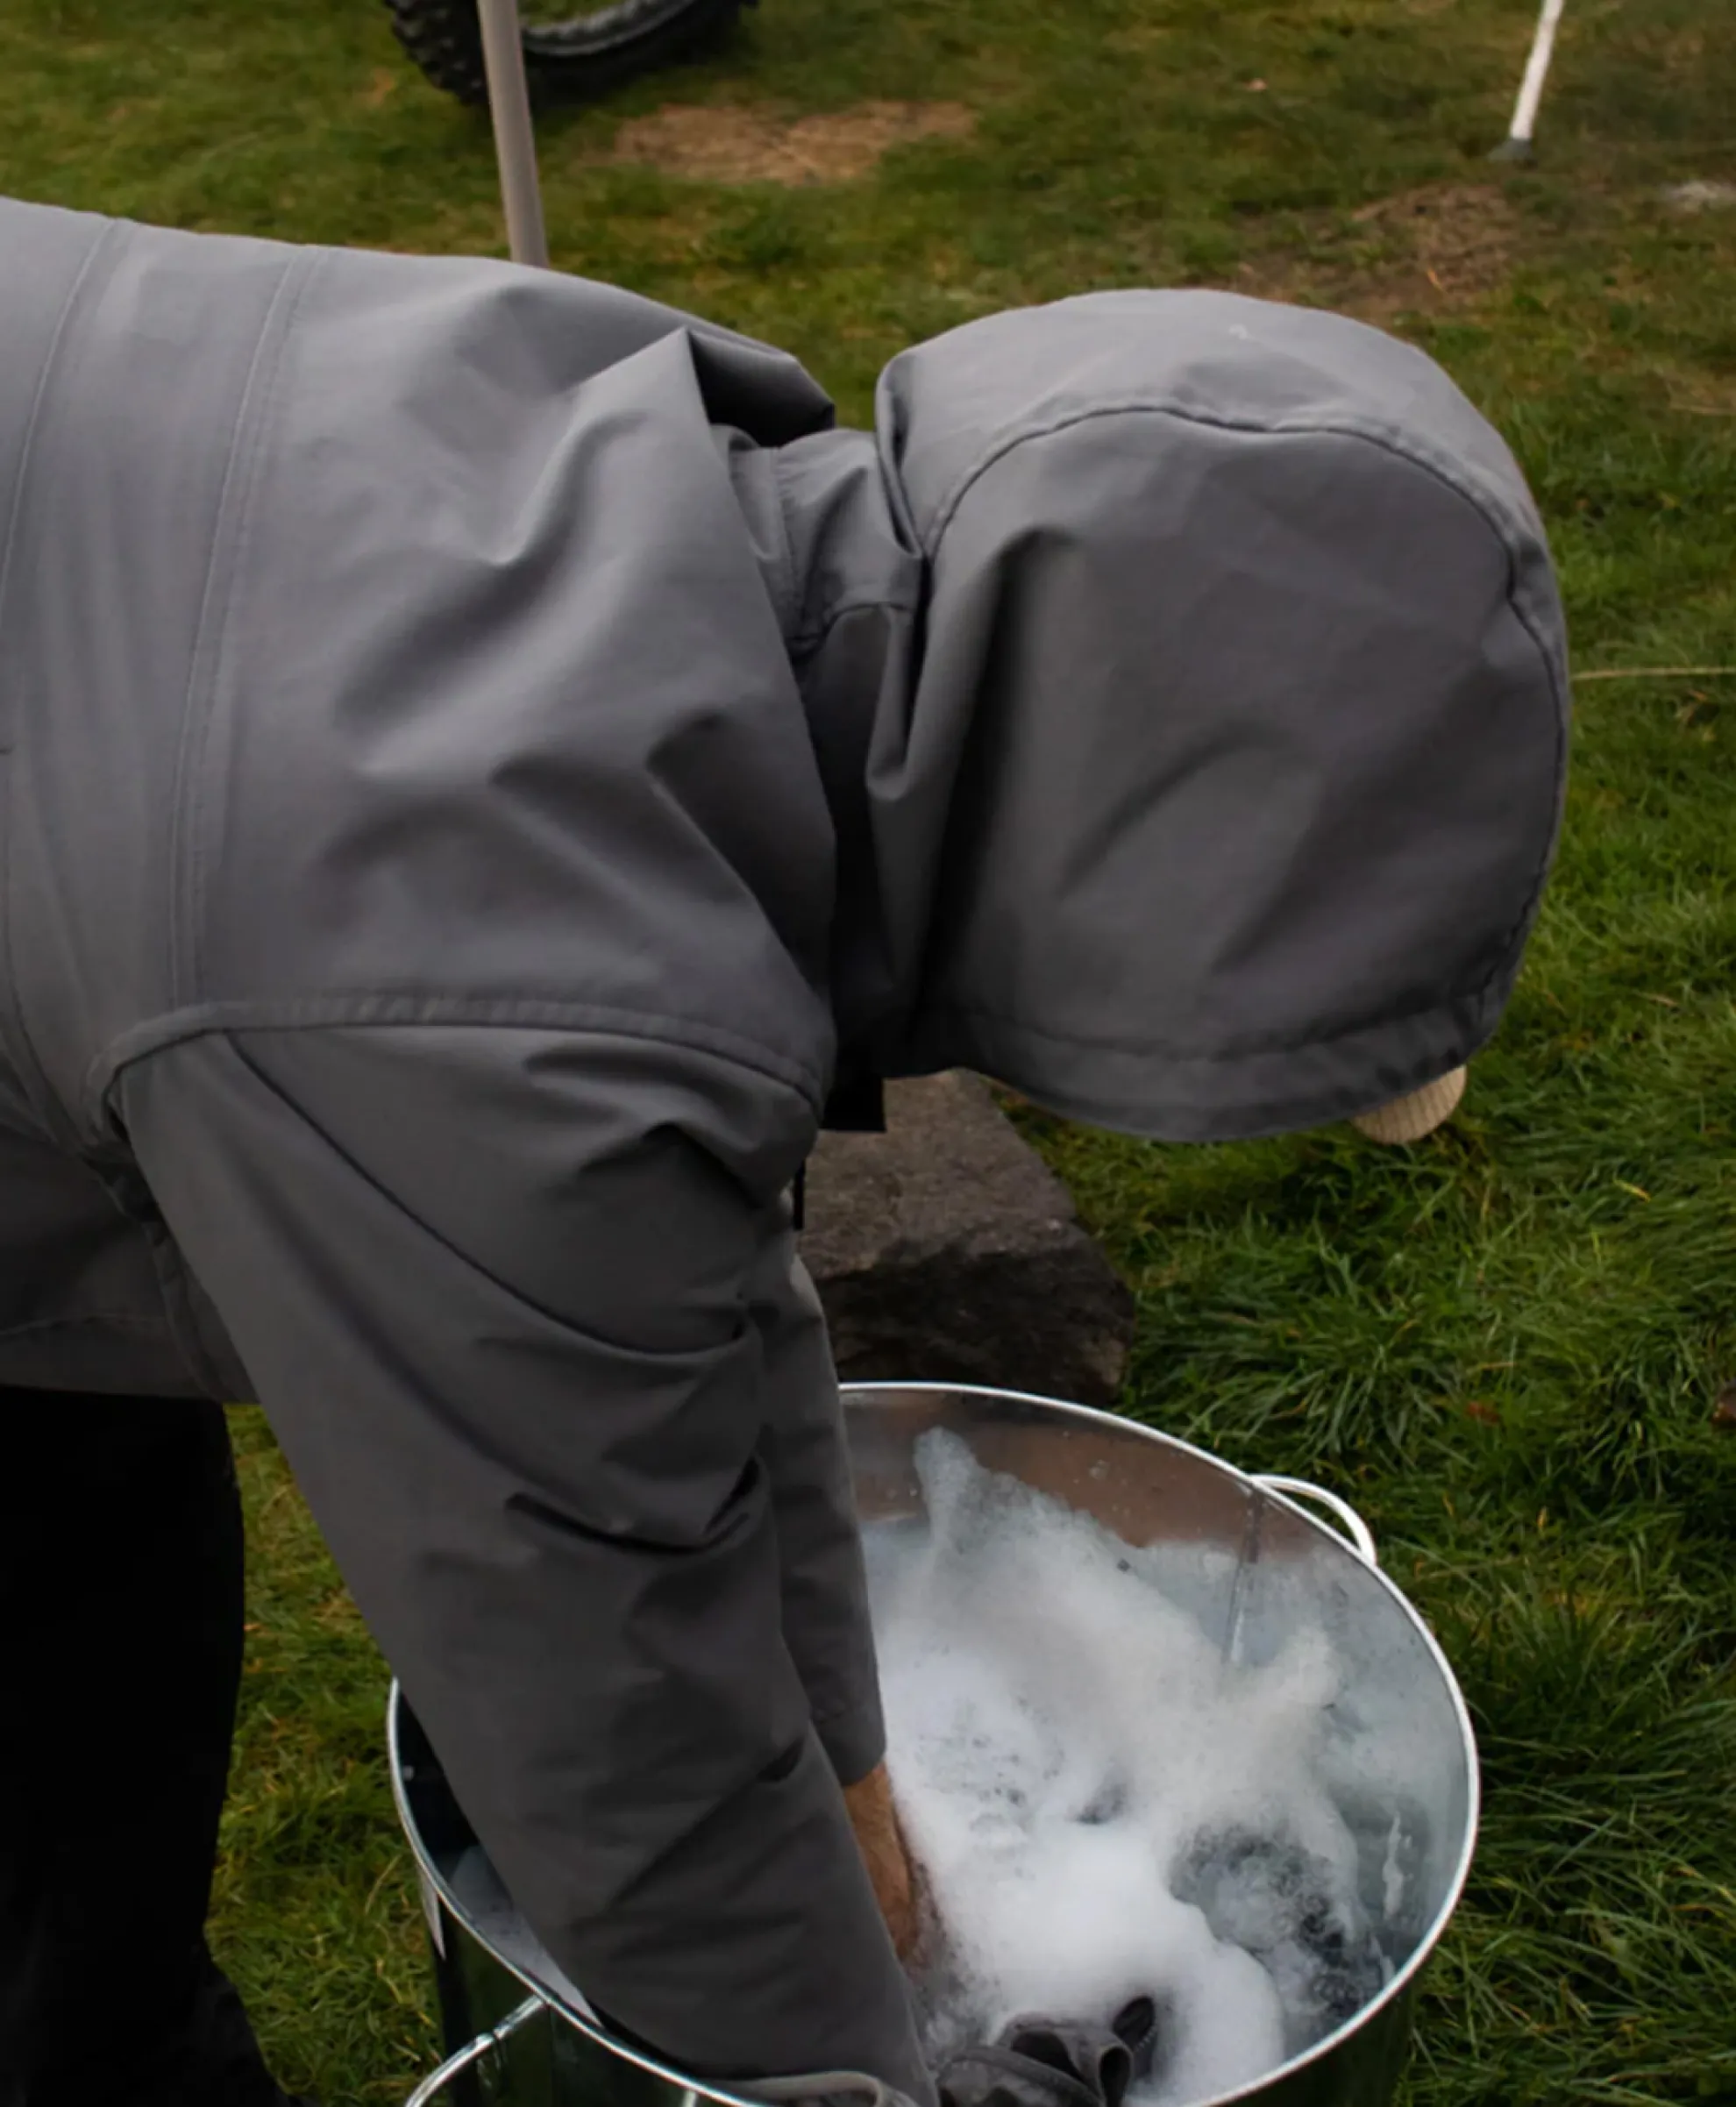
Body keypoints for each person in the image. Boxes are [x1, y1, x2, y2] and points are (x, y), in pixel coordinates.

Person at [0, 190, 1567, 2107]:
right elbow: (612, 1721)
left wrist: (867, 1809)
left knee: (78, 1563)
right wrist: (853, 2076)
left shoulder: (654, 523)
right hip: (223, 879)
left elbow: (702, 1332)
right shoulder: (491, 995)